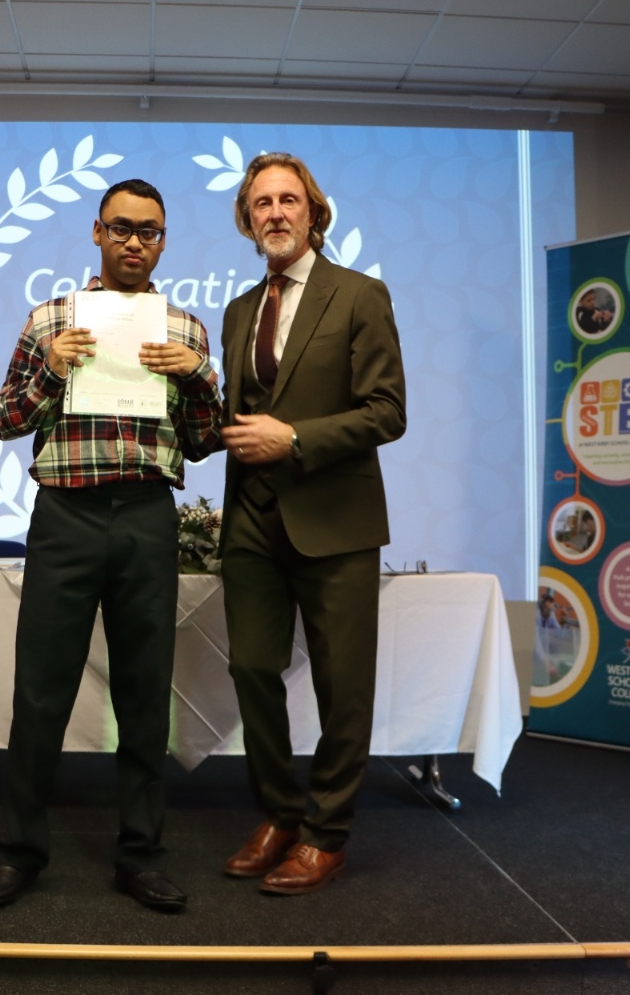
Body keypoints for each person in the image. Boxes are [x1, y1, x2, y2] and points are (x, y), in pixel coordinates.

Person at [0, 179, 222, 913]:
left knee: (145, 696)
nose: (134, 242)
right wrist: (51, 367)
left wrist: (199, 379)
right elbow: (4, 420)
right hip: (66, 516)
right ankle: (20, 853)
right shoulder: (49, 318)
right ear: (96, 232)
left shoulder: (185, 330)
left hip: (147, 515)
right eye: (121, 228)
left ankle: (140, 857)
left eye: (149, 231)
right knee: (40, 691)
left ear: (163, 241)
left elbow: (204, 442)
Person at [217, 153, 406, 896]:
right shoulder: (238, 311)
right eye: (260, 203)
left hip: (335, 520)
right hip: (251, 521)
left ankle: (326, 834)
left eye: (287, 200)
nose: (274, 212)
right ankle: (280, 814)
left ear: (313, 212)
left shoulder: (359, 295)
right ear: (247, 219)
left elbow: (386, 411)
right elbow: (237, 416)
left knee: (341, 687)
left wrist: (294, 438)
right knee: (251, 669)